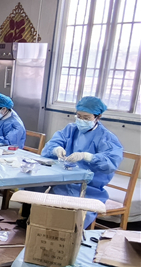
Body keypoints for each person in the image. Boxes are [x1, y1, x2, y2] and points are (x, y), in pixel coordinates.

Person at [26, 96, 123, 228]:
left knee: (73, 219)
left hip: (88, 188)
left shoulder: (106, 137)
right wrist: (56, 149)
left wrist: (88, 157)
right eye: (79, 116)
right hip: (63, 183)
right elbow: (53, 143)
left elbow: (111, 161)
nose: (81, 120)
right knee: (35, 192)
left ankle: (69, 234)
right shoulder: (71, 129)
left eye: (86, 118)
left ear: (98, 117)